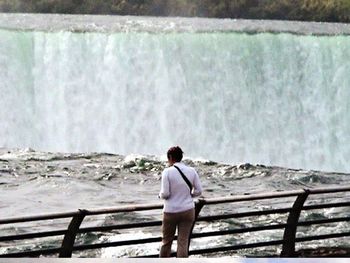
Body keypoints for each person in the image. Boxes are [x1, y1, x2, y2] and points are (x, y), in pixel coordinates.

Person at [158, 146, 203, 258]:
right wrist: (189, 195)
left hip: (171, 211)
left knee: (166, 242)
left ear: (171, 157)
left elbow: (165, 194)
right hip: (188, 210)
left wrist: (159, 195)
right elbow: (199, 191)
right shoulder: (192, 171)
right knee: (183, 242)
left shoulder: (167, 172)